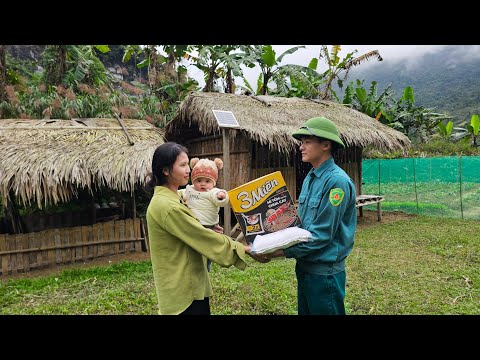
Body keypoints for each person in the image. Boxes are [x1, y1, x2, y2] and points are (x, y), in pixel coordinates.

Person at [145, 142, 268, 315]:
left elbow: (191, 233)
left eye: (188, 164)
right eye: (182, 165)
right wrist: (244, 249)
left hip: (193, 283)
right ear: (166, 170)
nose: (188, 170)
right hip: (182, 292)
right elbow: (200, 236)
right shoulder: (167, 206)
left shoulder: (177, 198)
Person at [266, 117, 357, 315]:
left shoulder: (336, 182)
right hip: (305, 267)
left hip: (324, 274)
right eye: (302, 142)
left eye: (307, 141)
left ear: (325, 145)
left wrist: (279, 252)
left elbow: (321, 235)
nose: (301, 147)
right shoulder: (311, 176)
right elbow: (301, 222)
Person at [178, 157, 229, 272]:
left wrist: (222, 196)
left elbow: (221, 199)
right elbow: (178, 193)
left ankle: (207, 266)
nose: (202, 184)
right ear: (193, 181)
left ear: (213, 183)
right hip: (194, 226)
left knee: (210, 248)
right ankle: (194, 265)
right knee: (194, 248)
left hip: (210, 227)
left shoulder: (212, 192)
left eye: (207, 181)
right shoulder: (189, 190)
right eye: (198, 180)